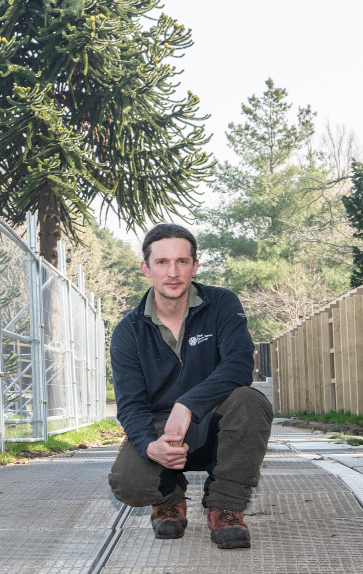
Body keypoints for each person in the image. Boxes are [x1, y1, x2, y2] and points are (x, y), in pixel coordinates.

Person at [108, 224, 272, 549]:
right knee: (127, 483)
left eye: (182, 262)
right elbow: (130, 405)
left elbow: (239, 367)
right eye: (162, 262)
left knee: (250, 400)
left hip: (216, 428)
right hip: (162, 433)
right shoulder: (128, 331)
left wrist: (187, 405)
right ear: (146, 268)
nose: (173, 272)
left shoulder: (222, 303)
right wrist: (148, 445)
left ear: (195, 266)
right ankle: (170, 497)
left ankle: (225, 506)